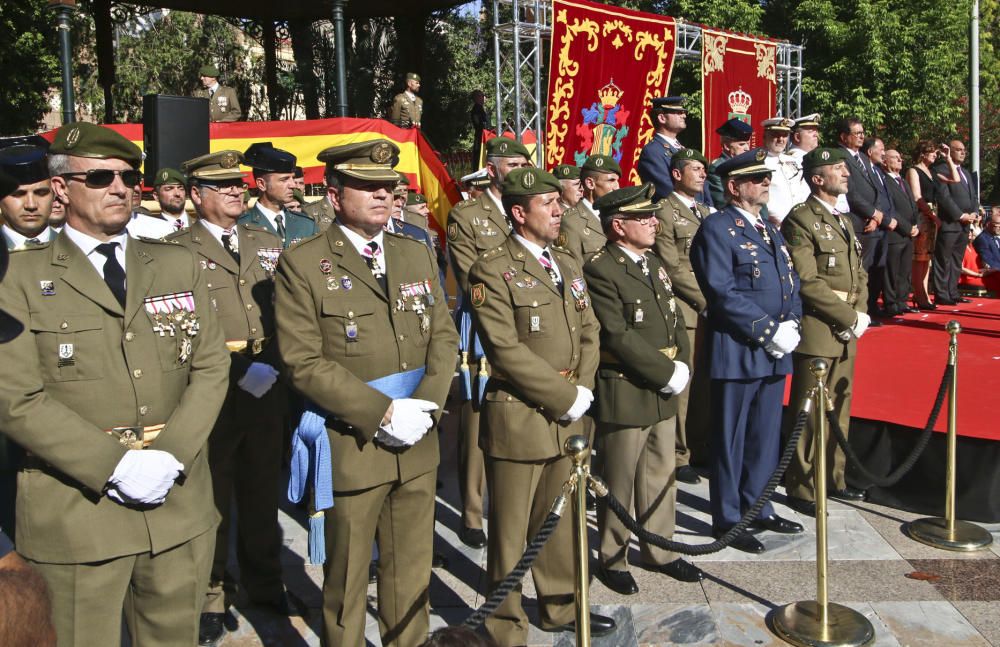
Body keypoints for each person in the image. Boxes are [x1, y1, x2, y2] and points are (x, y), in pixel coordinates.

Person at [0, 121, 230, 646]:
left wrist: (169, 455)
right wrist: (117, 465)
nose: (121, 187)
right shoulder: (14, 278)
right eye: (101, 176)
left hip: (177, 506)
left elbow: (211, 366)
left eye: (129, 175)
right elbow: (15, 397)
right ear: (61, 188)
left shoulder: (177, 263)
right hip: (78, 516)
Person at [275, 139, 457, 647]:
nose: (384, 194)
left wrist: (427, 406)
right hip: (354, 443)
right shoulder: (304, 263)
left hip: (418, 440)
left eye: (388, 186)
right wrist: (383, 413)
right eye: (367, 186)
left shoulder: (415, 251)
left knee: (411, 576)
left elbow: (443, 337)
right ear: (334, 196)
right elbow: (301, 361)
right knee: (348, 582)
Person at [468, 167, 614, 645]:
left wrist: (583, 389)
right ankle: (505, 625)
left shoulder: (566, 261)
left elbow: (589, 329)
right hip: (523, 414)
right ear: (518, 212)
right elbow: (505, 350)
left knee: (562, 519)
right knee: (510, 532)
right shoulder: (490, 269)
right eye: (548, 204)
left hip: (572, 412)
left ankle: (561, 605)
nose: (559, 211)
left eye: (559, 202)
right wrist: (564, 395)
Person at [166, 151, 289, 646]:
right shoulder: (176, 250)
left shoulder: (265, 240)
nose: (237, 192)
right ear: (197, 195)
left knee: (262, 492)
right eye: (223, 186)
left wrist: (275, 363)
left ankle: (264, 582)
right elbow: (178, 329)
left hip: (267, 382)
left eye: (238, 185)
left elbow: (288, 311)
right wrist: (237, 371)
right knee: (211, 497)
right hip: (211, 391)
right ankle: (212, 593)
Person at [585, 184, 704, 597]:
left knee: (660, 473)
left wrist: (683, 364)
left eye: (653, 215)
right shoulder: (601, 268)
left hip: (663, 383)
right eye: (644, 218)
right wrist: (664, 371)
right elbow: (616, 334)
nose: (654, 222)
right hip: (628, 387)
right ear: (618, 226)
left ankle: (660, 549)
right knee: (618, 480)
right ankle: (612, 557)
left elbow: (673, 319)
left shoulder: (652, 262)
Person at [690, 149, 804, 554]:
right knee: (732, 437)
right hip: (738, 347)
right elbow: (721, 292)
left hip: (775, 348)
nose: (766, 183)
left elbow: (789, 281)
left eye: (766, 178)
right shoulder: (717, 229)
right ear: (735, 187)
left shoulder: (769, 229)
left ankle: (759, 504)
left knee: (765, 434)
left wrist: (792, 321)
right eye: (758, 179)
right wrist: (768, 329)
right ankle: (728, 517)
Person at [446, 136, 532, 550]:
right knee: (478, 416)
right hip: (486, 327)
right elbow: (469, 275)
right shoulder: (468, 214)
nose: (518, 169)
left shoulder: (532, 206)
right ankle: (472, 511)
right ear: (493, 168)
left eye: (523, 162)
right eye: (512, 162)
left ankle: (516, 497)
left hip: (533, 325)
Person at [780, 148, 870, 516]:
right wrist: (848, 315)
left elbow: (859, 272)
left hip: (847, 324)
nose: (845, 173)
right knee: (810, 412)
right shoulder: (801, 220)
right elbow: (807, 281)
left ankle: (834, 478)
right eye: (837, 168)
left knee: (840, 409)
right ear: (817, 178)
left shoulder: (844, 219)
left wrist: (860, 311)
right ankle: (803, 487)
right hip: (819, 328)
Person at [652, 148, 713, 483]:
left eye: (704, 169)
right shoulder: (664, 210)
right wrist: (708, 300)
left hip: (712, 307)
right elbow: (671, 266)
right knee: (685, 385)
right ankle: (678, 454)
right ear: (676, 174)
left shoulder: (705, 211)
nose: (702, 174)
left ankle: (700, 445)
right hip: (687, 307)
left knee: (705, 382)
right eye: (695, 169)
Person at [239, 142, 317, 248]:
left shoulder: (306, 224)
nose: (293, 185)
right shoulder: (241, 226)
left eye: (292, 178)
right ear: (261, 184)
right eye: (284, 179)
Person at [933, 138, 980, 306]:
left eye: (964, 149)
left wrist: (974, 212)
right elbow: (943, 197)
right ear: (949, 151)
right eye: (958, 149)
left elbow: (973, 196)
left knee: (956, 260)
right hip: (950, 222)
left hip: (966, 224)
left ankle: (953, 292)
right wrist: (960, 215)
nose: (963, 152)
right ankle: (941, 293)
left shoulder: (966, 173)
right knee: (943, 259)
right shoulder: (941, 170)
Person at [906, 141, 952, 310]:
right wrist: (932, 216)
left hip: (932, 215)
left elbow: (955, 179)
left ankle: (924, 294)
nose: (935, 154)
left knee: (927, 258)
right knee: (919, 257)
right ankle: (919, 294)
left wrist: (948, 159)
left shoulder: (932, 171)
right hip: (922, 215)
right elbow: (917, 197)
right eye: (932, 152)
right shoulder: (914, 170)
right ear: (922, 154)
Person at [558, 154, 620, 264]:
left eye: (617, 181)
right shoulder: (571, 222)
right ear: (590, 183)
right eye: (611, 181)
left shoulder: (620, 215)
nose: (617, 187)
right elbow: (572, 271)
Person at [882, 148, 920, 315]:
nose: (900, 160)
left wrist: (916, 224)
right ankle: (891, 303)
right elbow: (890, 207)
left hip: (909, 233)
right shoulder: (884, 180)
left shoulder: (902, 181)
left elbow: (913, 205)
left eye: (900, 157)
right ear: (885, 161)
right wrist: (906, 226)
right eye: (895, 158)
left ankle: (902, 301)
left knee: (905, 270)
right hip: (895, 233)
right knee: (892, 270)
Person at [0, 144, 55, 250]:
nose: (31, 205)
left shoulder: (79, 250)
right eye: (18, 194)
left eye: (41, 193)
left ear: (55, 193)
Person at [637, 96, 689, 201]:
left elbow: (701, 184)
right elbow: (666, 189)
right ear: (662, 118)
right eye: (678, 113)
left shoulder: (682, 149)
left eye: (683, 112)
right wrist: (693, 203)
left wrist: (706, 207)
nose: (683, 116)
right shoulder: (652, 152)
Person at [761, 117, 809, 225]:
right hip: (775, 225)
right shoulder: (758, 163)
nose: (781, 139)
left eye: (785, 135)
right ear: (765, 136)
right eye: (776, 135)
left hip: (801, 223)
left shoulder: (794, 161)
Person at [707, 118, 753, 207]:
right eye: (742, 144)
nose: (747, 148)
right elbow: (723, 202)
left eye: (748, 144)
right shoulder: (717, 169)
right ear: (727, 146)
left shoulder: (748, 165)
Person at [973, 209, 1000, 294]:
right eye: (998, 224)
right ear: (988, 224)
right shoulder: (982, 239)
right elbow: (989, 261)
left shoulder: (995, 238)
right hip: (992, 275)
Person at [471, 89, 490, 165]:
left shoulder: (479, 108)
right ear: (477, 98)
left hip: (482, 135)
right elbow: (479, 123)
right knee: (479, 155)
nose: (483, 98)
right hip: (480, 136)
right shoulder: (477, 109)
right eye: (482, 96)